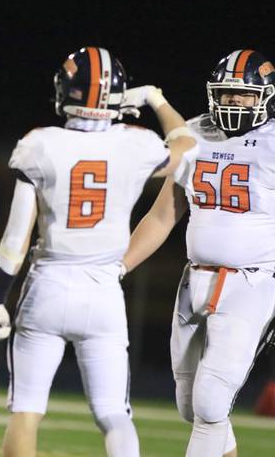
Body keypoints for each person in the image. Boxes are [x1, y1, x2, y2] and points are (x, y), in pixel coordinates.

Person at [0, 46, 197, 457]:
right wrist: (155, 97)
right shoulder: (135, 143)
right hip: (103, 289)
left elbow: (15, 238)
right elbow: (186, 143)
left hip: (47, 284)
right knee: (114, 414)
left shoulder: (39, 143)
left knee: (26, 411)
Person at [123, 49, 275, 457]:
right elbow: (161, 217)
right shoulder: (194, 134)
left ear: (265, 96)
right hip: (195, 279)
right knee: (192, 407)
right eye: (225, 94)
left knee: (211, 401)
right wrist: (117, 266)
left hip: (253, 281)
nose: (232, 103)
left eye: (242, 95)